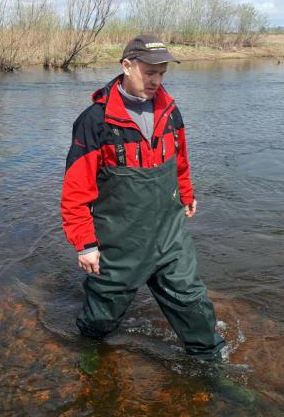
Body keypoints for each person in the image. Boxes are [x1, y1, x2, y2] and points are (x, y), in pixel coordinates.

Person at [60, 34, 225, 361]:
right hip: (120, 243)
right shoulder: (95, 121)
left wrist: (187, 194)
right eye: (149, 72)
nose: (156, 80)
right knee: (100, 320)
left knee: (193, 304)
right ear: (126, 66)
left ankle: (212, 369)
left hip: (169, 234)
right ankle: (88, 359)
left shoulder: (171, 111)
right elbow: (75, 189)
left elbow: (180, 160)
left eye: (161, 73)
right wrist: (85, 244)